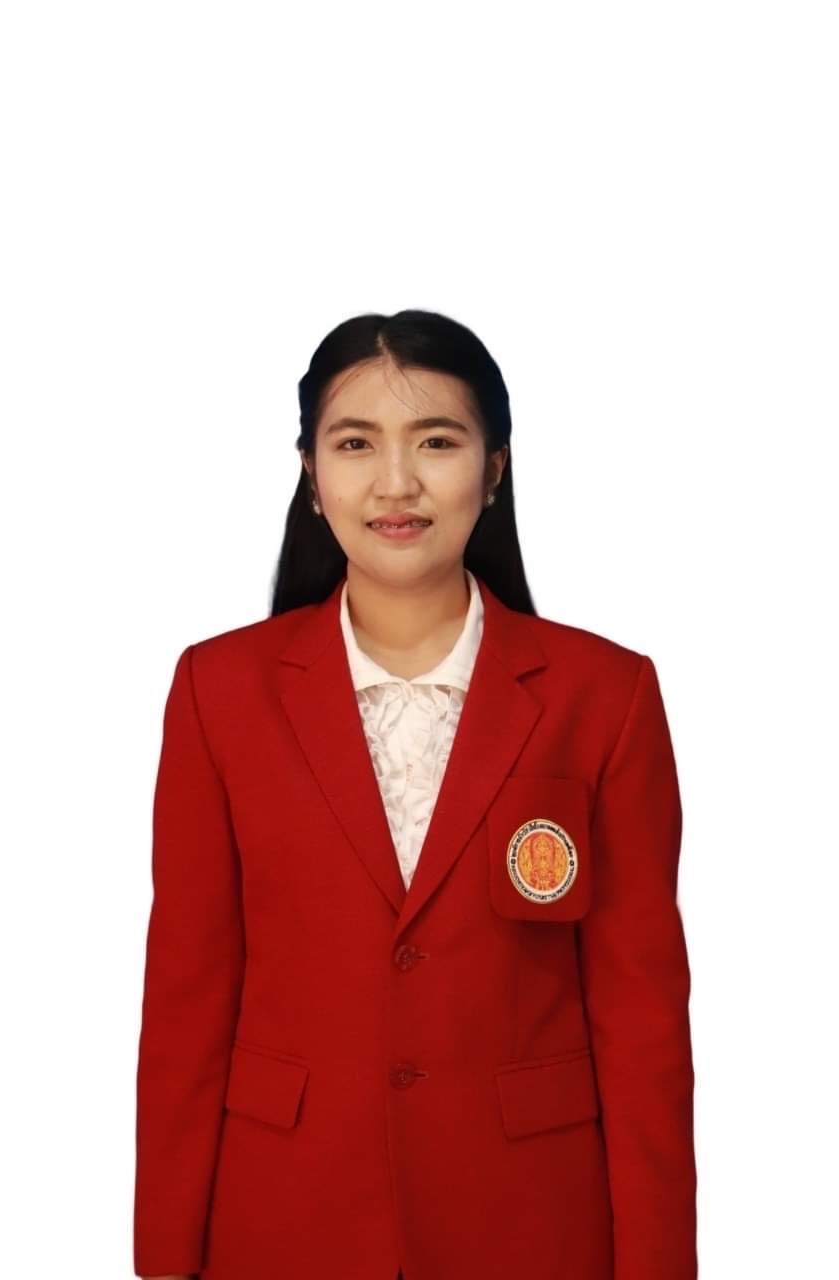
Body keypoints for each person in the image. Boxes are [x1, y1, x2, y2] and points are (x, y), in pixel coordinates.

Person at [133, 309, 697, 1280]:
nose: (396, 483)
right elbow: (187, 995)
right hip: (284, 1214)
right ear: (311, 474)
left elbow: (642, 1016)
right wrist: (162, 1255)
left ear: (494, 467)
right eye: (355, 444)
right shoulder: (217, 691)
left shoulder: (604, 696)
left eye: (436, 441)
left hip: (530, 1223)